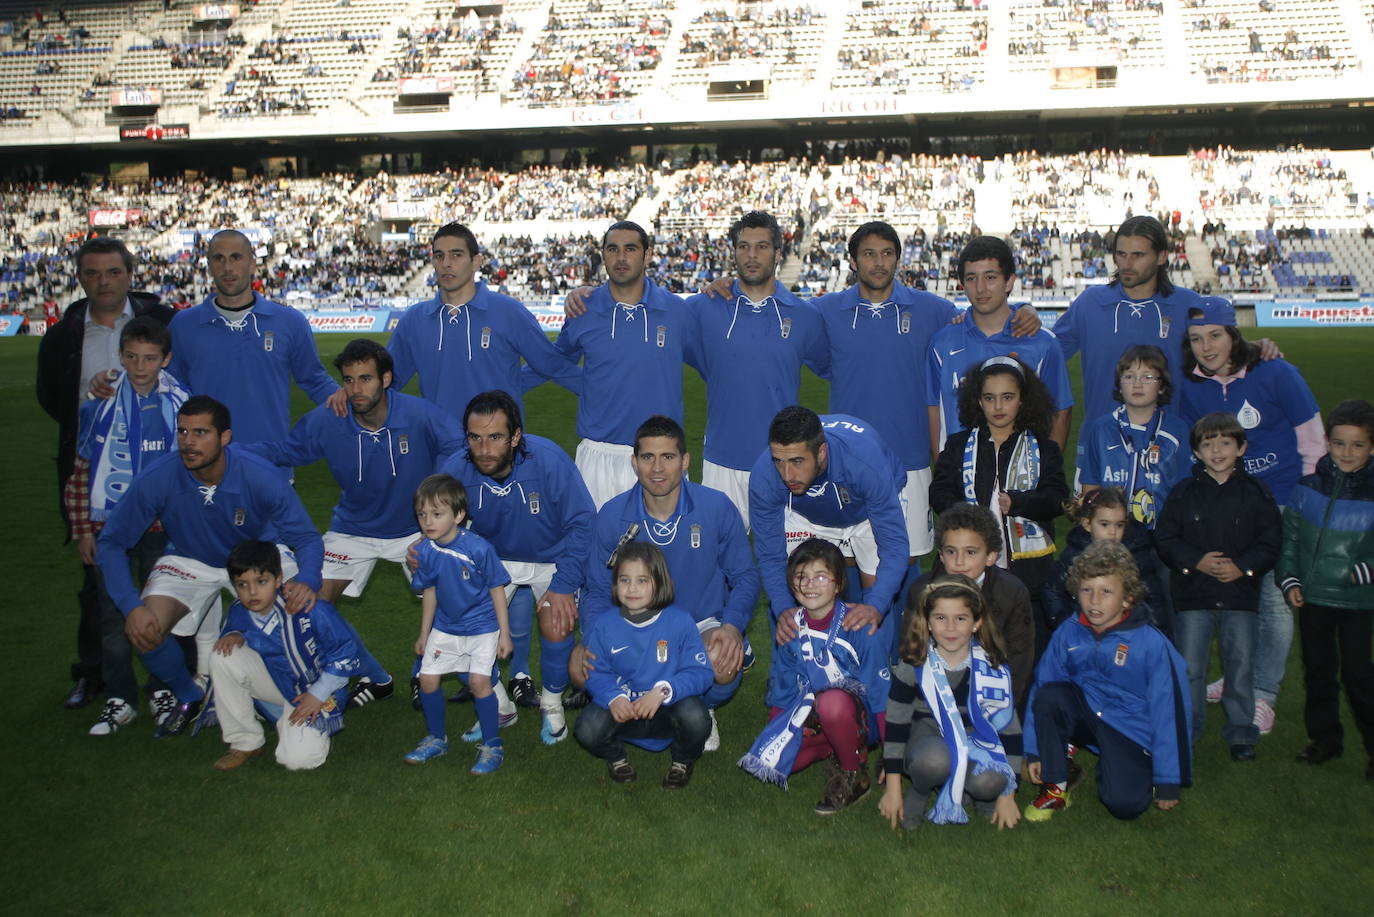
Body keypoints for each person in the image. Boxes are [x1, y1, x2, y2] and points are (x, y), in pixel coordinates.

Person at [248, 339, 467, 705]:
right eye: (348, 380)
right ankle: (376, 676)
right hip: (353, 528)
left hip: (416, 529)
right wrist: (229, 452)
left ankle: (421, 672)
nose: (356, 389)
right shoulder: (328, 419)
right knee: (311, 605)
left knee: (448, 597)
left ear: (386, 379)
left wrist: (435, 497)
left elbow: (461, 447)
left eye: (365, 379)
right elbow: (286, 451)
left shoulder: (418, 414)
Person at [95, 395, 325, 737]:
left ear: (225, 437)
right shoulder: (158, 477)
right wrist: (131, 606)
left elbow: (306, 537)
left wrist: (307, 578)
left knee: (304, 614)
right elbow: (111, 543)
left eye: (200, 432)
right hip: (190, 558)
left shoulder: (259, 474)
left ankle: (310, 693)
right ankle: (190, 693)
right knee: (145, 628)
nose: (188, 442)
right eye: (183, 432)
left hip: (254, 558)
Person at [811, 222, 1038, 563]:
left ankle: (906, 619)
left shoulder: (933, 310)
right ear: (853, 262)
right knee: (845, 560)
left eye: (887, 254)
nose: (878, 263)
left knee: (907, 556)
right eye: (869, 254)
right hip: (846, 459)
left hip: (911, 457)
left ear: (899, 260)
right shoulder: (825, 310)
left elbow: (982, 315)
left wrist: (1025, 309)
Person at [36, 237, 175, 708]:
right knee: (99, 590)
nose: (103, 281)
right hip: (96, 476)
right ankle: (97, 677)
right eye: (92, 273)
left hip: (157, 491)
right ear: (80, 278)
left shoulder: (160, 321)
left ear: (129, 274)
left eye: (112, 272)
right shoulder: (66, 332)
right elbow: (50, 395)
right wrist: (98, 419)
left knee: (167, 585)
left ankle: (170, 681)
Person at [1176, 296, 1323, 735]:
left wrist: (1304, 502)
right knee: (1234, 593)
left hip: (1279, 500)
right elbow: (1190, 451)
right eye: (1197, 339)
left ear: (1233, 334)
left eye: (1215, 336)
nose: (1206, 347)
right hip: (1224, 503)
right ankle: (1237, 678)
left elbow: (1313, 441)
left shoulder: (1277, 373)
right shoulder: (1191, 385)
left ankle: (1262, 695)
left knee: (1274, 600)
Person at [573, 415, 758, 751]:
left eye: (668, 457)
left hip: (699, 624)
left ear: (685, 461)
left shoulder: (716, 508)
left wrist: (732, 626)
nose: (657, 468)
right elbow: (598, 589)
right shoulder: (613, 516)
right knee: (578, 666)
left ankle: (705, 708)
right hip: (633, 626)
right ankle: (627, 695)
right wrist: (592, 638)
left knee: (722, 659)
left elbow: (745, 577)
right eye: (647, 457)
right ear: (634, 462)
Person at [440, 389, 596, 745]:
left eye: (494, 437)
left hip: (552, 557)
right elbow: (438, 526)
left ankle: (552, 703)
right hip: (495, 559)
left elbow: (583, 523)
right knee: (457, 634)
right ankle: (498, 706)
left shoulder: (549, 461)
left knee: (556, 621)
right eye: (475, 438)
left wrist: (564, 585)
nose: (483, 449)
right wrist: (429, 550)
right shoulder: (456, 469)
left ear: (515, 436)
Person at [66, 316, 188, 735]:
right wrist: (83, 528)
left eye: (150, 358)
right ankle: (120, 696)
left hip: (160, 531)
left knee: (162, 610)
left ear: (165, 359)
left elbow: (190, 474)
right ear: (121, 355)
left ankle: (162, 687)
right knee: (113, 615)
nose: (140, 366)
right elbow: (81, 470)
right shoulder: (98, 405)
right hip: (109, 531)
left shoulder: (179, 405)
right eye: (132, 356)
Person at [1023, 541, 1192, 822]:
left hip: (1130, 729)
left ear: (1127, 598)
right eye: (1087, 590)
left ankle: (1126, 765)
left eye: (1106, 591)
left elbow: (1169, 713)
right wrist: (1033, 751)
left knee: (1124, 805)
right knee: (1050, 695)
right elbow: (1042, 687)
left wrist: (1168, 780)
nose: (1095, 600)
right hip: (1087, 713)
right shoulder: (1069, 632)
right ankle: (1056, 785)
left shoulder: (1151, 644)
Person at [681, 211, 830, 526]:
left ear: (778, 253)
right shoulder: (702, 308)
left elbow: (835, 368)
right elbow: (648, 311)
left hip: (784, 461)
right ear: (733, 251)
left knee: (788, 566)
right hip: (722, 459)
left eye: (761, 247)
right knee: (717, 564)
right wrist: (587, 294)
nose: (751, 255)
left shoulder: (805, 316)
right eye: (743, 246)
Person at [1155, 413, 1281, 762]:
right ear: (1197, 452)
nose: (1217, 451)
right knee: (1191, 668)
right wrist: (1195, 560)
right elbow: (1165, 538)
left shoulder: (1257, 493)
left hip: (1240, 596)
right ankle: (1190, 729)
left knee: (1239, 665)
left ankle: (1242, 733)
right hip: (1193, 593)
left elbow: (1270, 542)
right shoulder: (1184, 493)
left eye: (1225, 443)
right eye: (1207, 444)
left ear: (1241, 448)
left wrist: (1243, 567)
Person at [548, 221, 697, 507]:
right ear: (603, 255)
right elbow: (554, 362)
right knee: (598, 548)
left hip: (660, 453)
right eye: (613, 249)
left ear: (647, 254)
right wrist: (588, 385)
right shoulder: (582, 310)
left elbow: (710, 364)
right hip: (598, 454)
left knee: (664, 548)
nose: (621, 257)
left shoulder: (678, 312)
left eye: (630, 249)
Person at [739, 539, 890, 815]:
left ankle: (852, 773)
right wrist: (775, 736)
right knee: (780, 760)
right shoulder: (789, 626)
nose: (809, 584)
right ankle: (835, 747)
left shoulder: (859, 624)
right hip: (812, 713)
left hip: (860, 716)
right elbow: (783, 689)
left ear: (838, 583)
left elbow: (880, 695)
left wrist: (892, 755)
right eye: (801, 577)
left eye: (820, 576)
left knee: (832, 703)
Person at [930, 356, 1068, 648]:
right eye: (989, 398)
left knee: (1022, 653)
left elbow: (1057, 500)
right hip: (966, 570)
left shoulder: (1044, 449)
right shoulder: (958, 445)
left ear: (1022, 400)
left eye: (1008, 397)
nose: (998, 406)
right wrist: (967, 515)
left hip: (1027, 576)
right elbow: (938, 493)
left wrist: (1019, 502)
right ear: (978, 402)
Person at [160, 229, 339, 449]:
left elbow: (315, 380)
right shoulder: (183, 325)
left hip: (271, 463)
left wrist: (357, 404)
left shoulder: (290, 322)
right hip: (205, 467)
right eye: (219, 258)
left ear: (252, 263)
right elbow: (166, 389)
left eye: (236, 257)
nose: (227, 267)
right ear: (208, 266)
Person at [386, 222, 579, 419]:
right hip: (441, 445)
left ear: (476, 262)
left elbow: (550, 364)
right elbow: (385, 382)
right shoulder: (414, 321)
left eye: (456, 255)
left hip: (498, 445)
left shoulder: (509, 312)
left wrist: (604, 394)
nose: (446, 263)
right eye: (439, 256)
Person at [202, 541, 366, 771]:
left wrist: (318, 694)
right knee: (223, 654)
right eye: (242, 584)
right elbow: (235, 625)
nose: (252, 592)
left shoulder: (310, 608)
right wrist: (233, 633)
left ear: (278, 579)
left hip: (312, 690)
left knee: (299, 760)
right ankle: (245, 741)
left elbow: (346, 653)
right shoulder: (240, 610)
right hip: (274, 682)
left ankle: (292, 725)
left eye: (261, 582)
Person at [750, 406, 909, 642]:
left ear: (822, 452)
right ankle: (797, 674)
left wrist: (876, 606)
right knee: (800, 589)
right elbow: (770, 554)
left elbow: (894, 547)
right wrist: (783, 608)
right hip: (806, 512)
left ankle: (876, 672)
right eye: (778, 461)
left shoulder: (864, 463)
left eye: (796, 461)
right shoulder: (765, 476)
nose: (786, 474)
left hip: (866, 509)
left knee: (877, 593)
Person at [1276, 399, 1374, 779]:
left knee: (1358, 674)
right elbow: (1290, 540)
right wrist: (1290, 579)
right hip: (1313, 597)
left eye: (1358, 445)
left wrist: (1364, 572)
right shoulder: (1307, 488)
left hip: (1358, 600)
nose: (1347, 453)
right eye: (1339, 443)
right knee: (1318, 669)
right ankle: (1325, 739)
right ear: (1328, 443)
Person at [881, 575, 1022, 830]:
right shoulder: (913, 663)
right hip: (926, 738)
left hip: (976, 739)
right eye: (940, 618)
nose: (950, 628)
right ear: (928, 622)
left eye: (961, 619)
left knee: (991, 781)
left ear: (977, 622)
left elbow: (1010, 730)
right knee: (934, 761)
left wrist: (1007, 795)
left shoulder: (992, 667)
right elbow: (896, 724)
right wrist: (893, 788)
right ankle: (921, 791)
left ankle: (975, 792)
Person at [573, 543, 713, 789]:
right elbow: (596, 672)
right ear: (615, 585)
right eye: (625, 580)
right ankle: (617, 757)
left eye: (642, 580)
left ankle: (682, 761)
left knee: (697, 717)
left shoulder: (680, 621)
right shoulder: (605, 625)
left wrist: (662, 692)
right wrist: (613, 697)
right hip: (624, 710)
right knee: (586, 729)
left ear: (659, 583)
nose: (632, 588)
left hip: (667, 708)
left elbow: (701, 673)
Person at [1050, 215, 1204, 428]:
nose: (1127, 264)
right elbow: (1045, 353)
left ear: (1161, 257)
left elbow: (1224, 357)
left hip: (1169, 446)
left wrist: (1259, 349)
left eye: (1138, 255)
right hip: (1102, 445)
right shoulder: (1090, 303)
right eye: (1121, 254)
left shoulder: (1189, 305)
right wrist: (1024, 311)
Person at [404, 474, 513, 774]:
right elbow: (430, 591)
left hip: (482, 628)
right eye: (422, 514)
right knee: (427, 680)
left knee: (479, 683)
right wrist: (424, 633)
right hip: (445, 628)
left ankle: (493, 745)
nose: (428, 521)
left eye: (437, 514)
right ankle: (436, 738)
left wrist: (504, 633)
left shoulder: (479, 549)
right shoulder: (425, 550)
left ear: (459, 515)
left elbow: (496, 589)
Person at [927, 235, 1072, 454]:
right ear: (962, 284)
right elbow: (934, 411)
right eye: (971, 278)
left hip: (1024, 481)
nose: (981, 288)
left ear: (1009, 281)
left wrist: (1047, 479)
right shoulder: (941, 343)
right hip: (960, 480)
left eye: (991, 277)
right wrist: (945, 477)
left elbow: (1060, 412)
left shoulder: (1042, 343)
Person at [907, 504, 1035, 707]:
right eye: (951, 551)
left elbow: (1020, 660)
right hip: (937, 692)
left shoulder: (1011, 593)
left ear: (991, 556)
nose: (959, 562)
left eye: (970, 552)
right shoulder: (922, 591)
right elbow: (912, 651)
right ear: (940, 555)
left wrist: (1003, 709)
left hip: (994, 691)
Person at [1077, 345, 1193, 529]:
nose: (1137, 384)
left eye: (1148, 377)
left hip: (1162, 534)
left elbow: (1186, 487)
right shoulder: (1101, 429)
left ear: (1161, 386)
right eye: (1129, 376)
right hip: (1113, 536)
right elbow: (1091, 486)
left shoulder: (1177, 430)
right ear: (1120, 386)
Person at [1041, 488, 1169, 637]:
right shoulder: (1074, 554)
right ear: (1087, 524)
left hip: (1127, 635)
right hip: (1084, 634)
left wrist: (1155, 634)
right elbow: (1052, 590)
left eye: (1119, 525)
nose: (1113, 532)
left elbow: (1153, 598)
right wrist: (1066, 623)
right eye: (1104, 524)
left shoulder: (1137, 555)